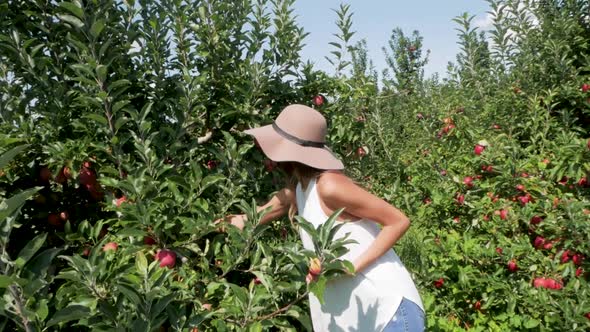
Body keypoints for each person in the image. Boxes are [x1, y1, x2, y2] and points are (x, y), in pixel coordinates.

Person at [219, 104, 425, 332]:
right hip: (355, 319)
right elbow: (263, 210)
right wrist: (224, 224)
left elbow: (398, 221)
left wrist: (349, 268)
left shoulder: (329, 186)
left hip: (388, 312)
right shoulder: (299, 188)